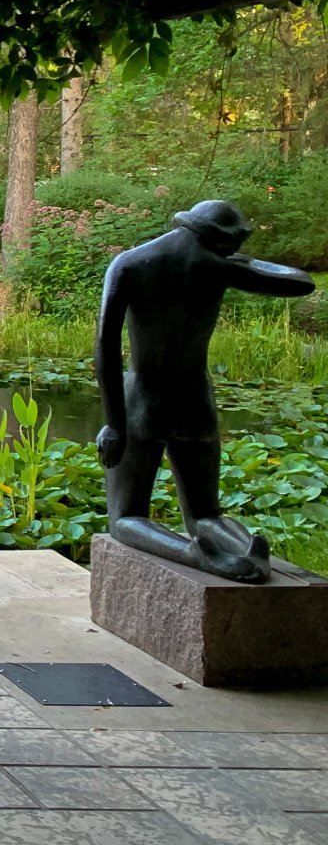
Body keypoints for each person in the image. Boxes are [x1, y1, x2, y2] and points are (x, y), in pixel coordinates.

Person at [96, 199, 313, 582]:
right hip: (195, 401)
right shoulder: (218, 266)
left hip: (143, 400)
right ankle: (245, 550)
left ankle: (193, 553)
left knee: (126, 517)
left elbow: (105, 347)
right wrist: (240, 262)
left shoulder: (129, 263)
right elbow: (299, 280)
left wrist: (114, 423)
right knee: (206, 513)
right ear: (221, 239)